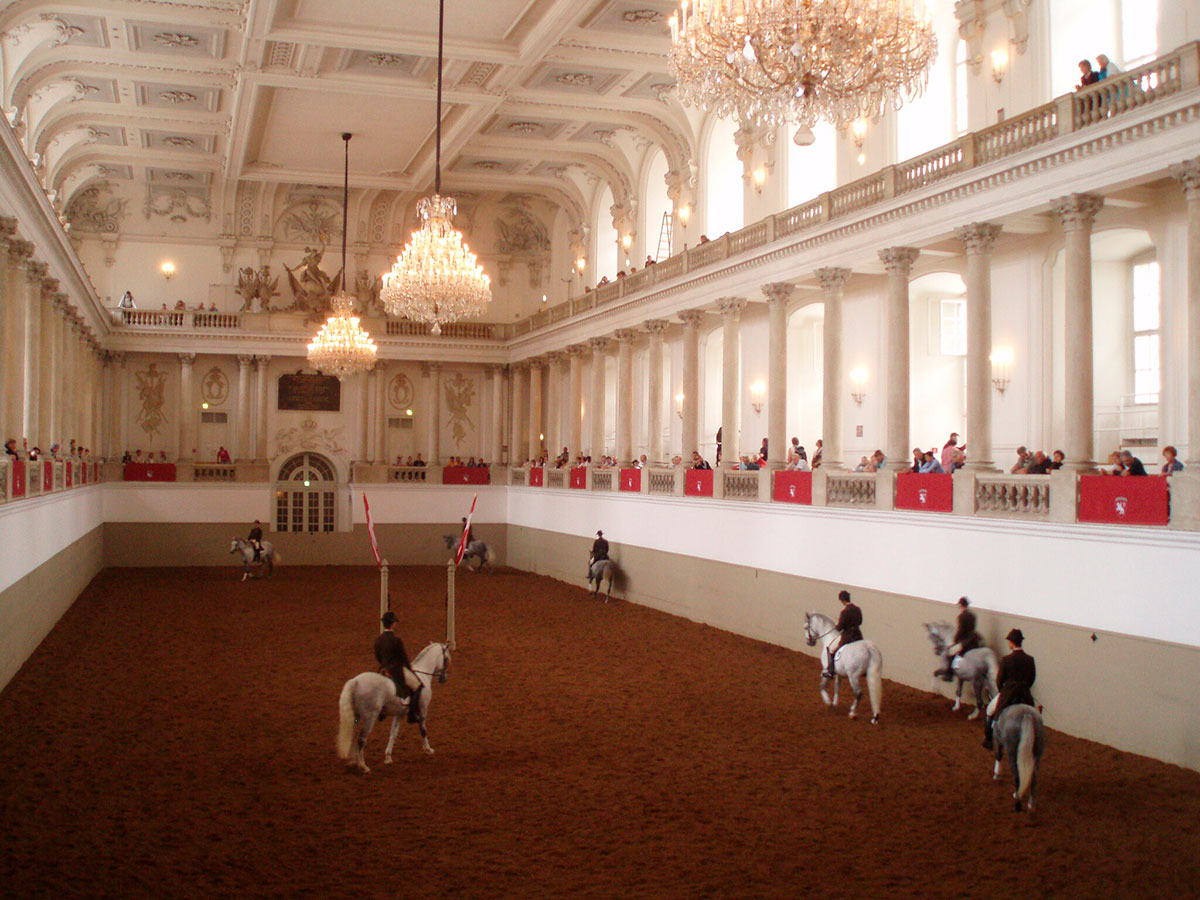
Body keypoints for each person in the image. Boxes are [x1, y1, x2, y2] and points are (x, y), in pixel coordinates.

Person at [983, 628, 1036, 750]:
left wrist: (1002, 691)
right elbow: (1032, 678)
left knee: (990, 711)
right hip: (1025, 693)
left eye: (1009, 641)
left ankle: (989, 740)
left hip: (1008, 693)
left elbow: (999, 680)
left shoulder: (1006, 660)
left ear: (1012, 642)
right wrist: (1024, 688)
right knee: (1034, 716)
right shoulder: (1030, 659)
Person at [375, 611, 423, 723]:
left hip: (383, 669)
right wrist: (411, 671)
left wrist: (384, 666)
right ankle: (412, 715)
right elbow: (404, 659)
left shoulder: (378, 640)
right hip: (396, 670)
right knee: (417, 686)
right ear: (392, 624)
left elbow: (378, 656)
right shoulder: (396, 640)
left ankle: (382, 711)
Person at [940, 597, 983, 681]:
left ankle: (949, 675)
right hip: (974, 639)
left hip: (966, 642)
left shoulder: (962, 616)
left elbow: (961, 631)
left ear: (961, 605)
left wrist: (955, 641)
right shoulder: (973, 615)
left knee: (949, 653)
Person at [825, 590, 863, 679]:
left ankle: (831, 671)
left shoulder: (844, 612)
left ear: (842, 600)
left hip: (848, 636)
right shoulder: (857, 609)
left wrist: (836, 627)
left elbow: (841, 626)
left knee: (831, 650)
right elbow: (860, 622)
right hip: (858, 635)